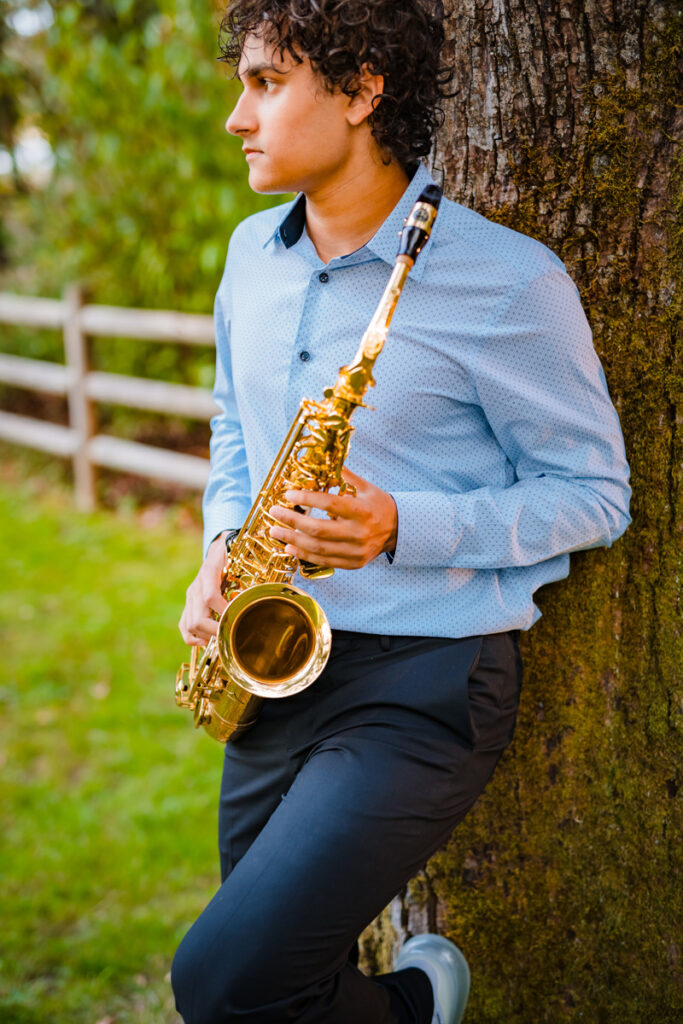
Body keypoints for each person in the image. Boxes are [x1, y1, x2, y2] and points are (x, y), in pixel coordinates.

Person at [172, 2, 631, 1022]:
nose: (234, 118)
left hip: (422, 684)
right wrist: (218, 546)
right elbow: (234, 427)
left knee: (219, 982)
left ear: (361, 88)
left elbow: (595, 494)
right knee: (264, 990)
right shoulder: (249, 253)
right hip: (274, 658)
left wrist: (401, 525)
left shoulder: (507, 281)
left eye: (263, 83)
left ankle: (418, 1001)